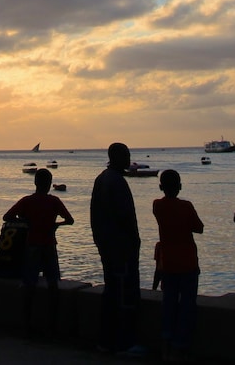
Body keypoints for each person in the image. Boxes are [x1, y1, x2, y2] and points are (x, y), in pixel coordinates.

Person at [2, 167, 73, 337]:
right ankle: (52, 325)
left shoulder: (27, 201)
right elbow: (70, 220)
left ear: (35, 183)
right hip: (49, 244)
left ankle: (26, 325)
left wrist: (25, 221)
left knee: (29, 285)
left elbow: (7, 217)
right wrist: (56, 225)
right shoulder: (55, 201)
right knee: (53, 284)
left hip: (32, 244)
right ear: (49, 184)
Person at [90, 142, 145, 357]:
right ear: (117, 157)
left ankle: (106, 340)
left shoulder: (102, 179)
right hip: (120, 248)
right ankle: (123, 343)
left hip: (107, 246)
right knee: (124, 294)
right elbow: (125, 217)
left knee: (111, 293)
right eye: (126, 156)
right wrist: (134, 241)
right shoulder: (116, 182)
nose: (128, 160)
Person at [152, 169, 203, 362]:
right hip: (188, 261)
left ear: (160, 187)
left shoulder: (157, 205)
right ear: (180, 186)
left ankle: (166, 347)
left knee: (169, 305)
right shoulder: (186, 206)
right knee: (187, 306)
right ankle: (180, 347)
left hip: (168, 263)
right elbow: (199, 228)